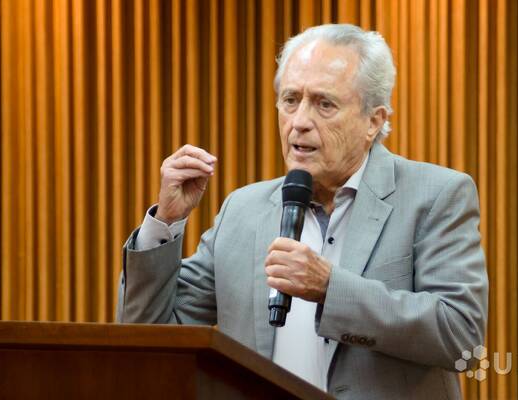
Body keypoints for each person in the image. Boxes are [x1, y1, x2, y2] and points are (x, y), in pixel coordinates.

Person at [117, 24, 488, 399]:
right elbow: (149, 335)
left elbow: (461, 336)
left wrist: (330, 288)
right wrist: (165, 222)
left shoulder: (436, 195)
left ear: (373, 121)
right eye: (290, 100)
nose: (299, 122)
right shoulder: (242, 210)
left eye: (324, 104)